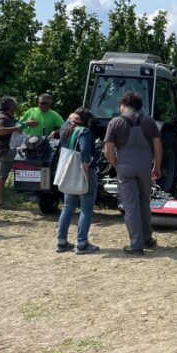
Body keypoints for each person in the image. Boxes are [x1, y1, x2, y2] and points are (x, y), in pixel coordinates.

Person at [104, 91, 162, 255]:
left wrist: (116, 165)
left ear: (123, 105)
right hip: (145, 168)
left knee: (130, 206)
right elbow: (158, 147)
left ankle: (136, 244)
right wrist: (157, 166)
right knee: (144, 202)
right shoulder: (149, 122)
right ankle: (147, 238)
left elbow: (108, 150)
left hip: (125, 167)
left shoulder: (115, 122)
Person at [55, 108, 100, 254]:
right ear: (85, 120)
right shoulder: (84, 132)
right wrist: (86, 173)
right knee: (86, 209)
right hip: (83, 172)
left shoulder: (66, 130)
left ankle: (61, 242)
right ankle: (82, 243)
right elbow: (86, 154)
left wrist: (69, 119)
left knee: (68, 207)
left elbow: (62, 127)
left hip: (68, 173)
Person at [0, 96, 23, 209]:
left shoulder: (6, 117)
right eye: (14, 104)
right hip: (6, 151)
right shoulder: (3, 118)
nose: (16, 106)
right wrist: (14, 129)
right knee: (2, 176)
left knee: (2, 176)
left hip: (6, 149)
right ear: (10, 106)